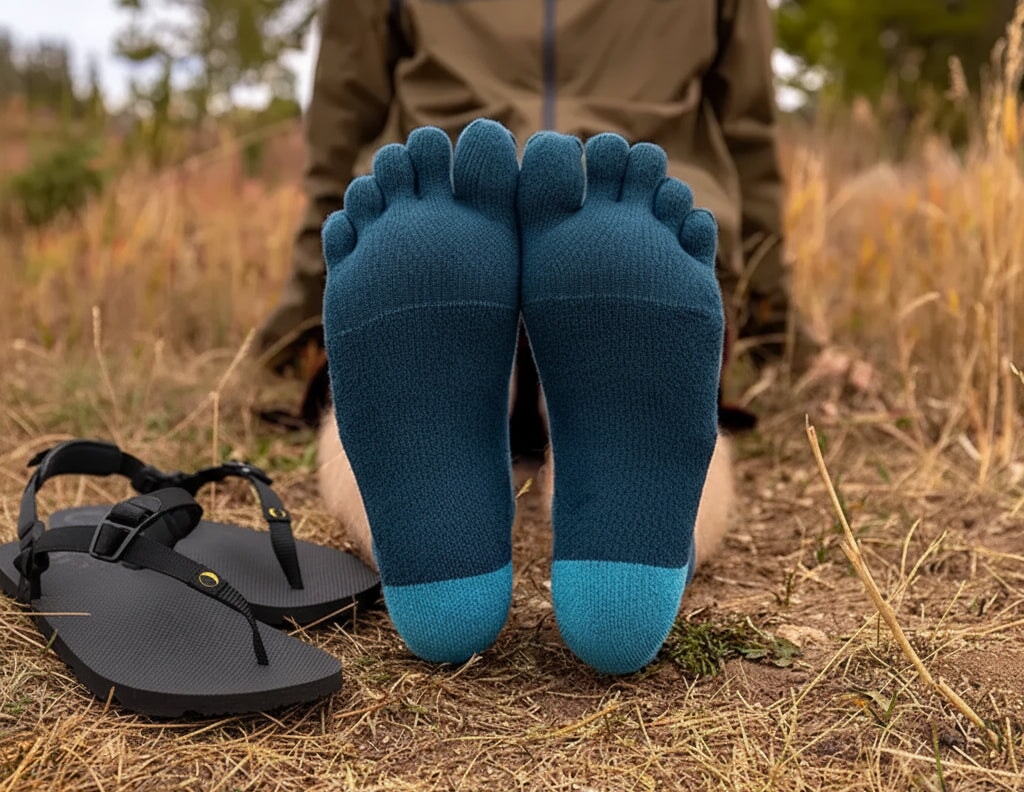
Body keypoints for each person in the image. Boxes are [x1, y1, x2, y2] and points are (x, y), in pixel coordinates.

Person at [256, 0, 798, 398]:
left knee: (399, 374)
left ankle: (453, 414)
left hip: (437, 211)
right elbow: (749, 138)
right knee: (653, 385)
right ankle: (630, 518)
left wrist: (305, 315)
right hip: (652, 220)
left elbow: (340, 130)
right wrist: (780, 330)